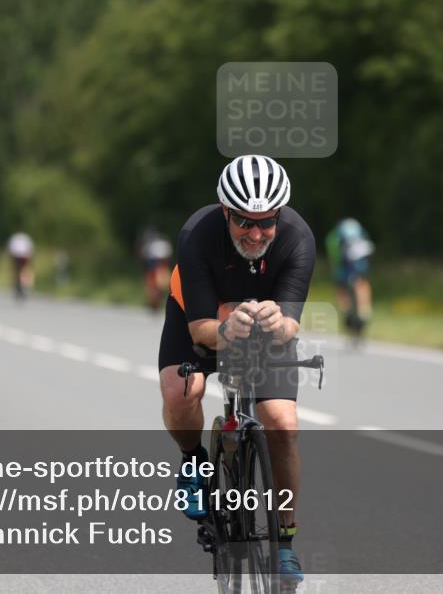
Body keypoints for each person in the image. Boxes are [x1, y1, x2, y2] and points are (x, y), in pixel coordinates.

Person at [158, 155, 314, 585]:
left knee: (282, 423)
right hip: (204, 316)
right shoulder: (198, 235)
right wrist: (225, 330)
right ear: (226, 212)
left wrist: (277, 322)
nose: (256, 232)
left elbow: (291, 325)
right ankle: (193, 462)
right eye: (245, 222)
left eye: (266, 222)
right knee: (180, 391)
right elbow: (198, 328)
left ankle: (284, 542)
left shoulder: (298, 238)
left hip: (266, 328)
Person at [325, 217, 374, 343]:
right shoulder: (360, 231)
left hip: (343, 269)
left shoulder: (333, 236)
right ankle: (365, 311)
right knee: (362, 284)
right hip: (360, 266)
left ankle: (346, 311)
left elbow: (334, 257)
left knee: (341, 289)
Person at [139, 227, 173, 311]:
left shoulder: (152, 244)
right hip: (155, 266)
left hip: (155, 266)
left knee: (157, 285)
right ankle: (155, 301)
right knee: (155, 285)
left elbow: (144, 256)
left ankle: (157, 301)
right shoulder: (160, 243)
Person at [7, 231, 35, 299]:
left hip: (20, 256)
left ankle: (23, 285)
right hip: (22, 256)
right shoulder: (23, 238)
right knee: (22, 271)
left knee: (20, 271)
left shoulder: (16, 238)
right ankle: (21, 286)